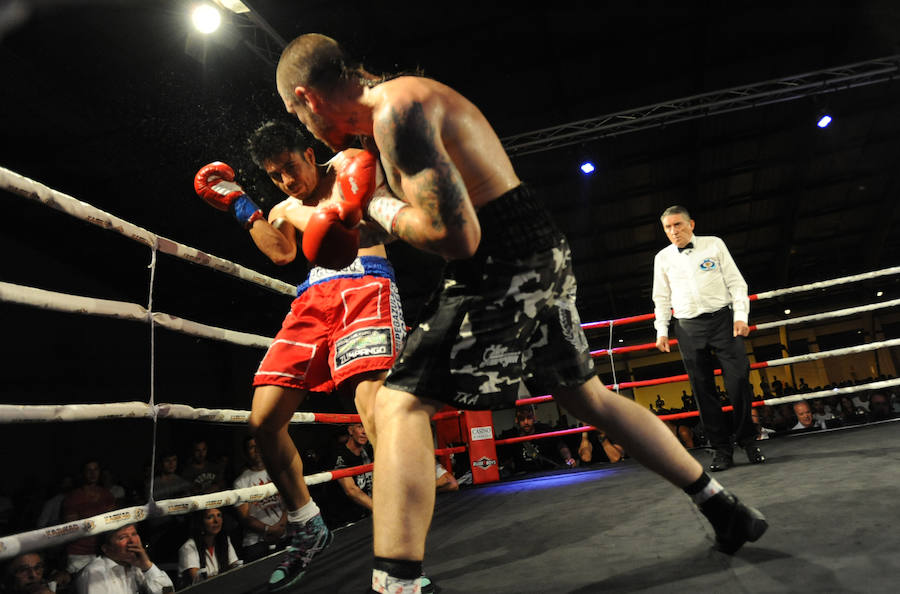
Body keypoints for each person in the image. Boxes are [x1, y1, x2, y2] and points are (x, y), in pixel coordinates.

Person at [275, 33, 768, 593]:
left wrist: (377, 202)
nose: (309, 132)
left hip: (502, 261)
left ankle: (396, 585)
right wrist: (355, 209)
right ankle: (722, 506)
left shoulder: (397, 111)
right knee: (587, 396)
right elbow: (424, 222)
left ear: (306, 99)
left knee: (399, 404)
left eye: (298, 117)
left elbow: (454, 236)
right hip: (536, 250)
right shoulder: (399, 104)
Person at [193, 120, 409, 591]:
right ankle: (307, 523)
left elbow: (390, 214)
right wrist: (240, 203)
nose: (287, 182)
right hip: (311, 298)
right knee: (264, 419)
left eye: (290, 167)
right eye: (275, 176)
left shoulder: (351, 167)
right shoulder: (285, 206)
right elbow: (280, 255)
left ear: (309, 154)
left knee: (375, 417)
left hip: (366, 284)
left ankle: (399, 564)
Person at [652, 205, 765, 471]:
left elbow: (737, 282)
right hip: (688, 327)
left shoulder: (714, 244)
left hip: (723, 321)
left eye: (677, 225)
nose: (673, 231)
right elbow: (660, 297)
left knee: (738, 381)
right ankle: (721, 449)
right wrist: (662, 330)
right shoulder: (663, 258)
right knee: (702, 390)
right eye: (668, 227)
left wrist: (741, 316)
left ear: (691, 224)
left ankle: (748, 440)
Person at [232, 436, 287, 562]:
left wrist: (281, 526)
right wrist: (269, 529)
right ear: (246, 453)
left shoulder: (277, 472)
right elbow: (245, 517)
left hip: (284, 533)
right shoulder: (240, 482)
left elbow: (289, 502)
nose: (256, 450)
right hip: (255, 541)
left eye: (258, 445)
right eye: (252, 447)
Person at [75, 524, 174, 594]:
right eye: (123, 537)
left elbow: (168, 592)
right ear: (106, 549)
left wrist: (147, 566)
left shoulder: (136, 564)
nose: (132, 541)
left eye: (134, 534)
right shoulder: (94, 572)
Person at [61, 458, 117, 573]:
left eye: (96, 469)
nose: (93, 473)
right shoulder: (73, 498)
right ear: (83, 473)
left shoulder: (107, 495)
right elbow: (72, 529)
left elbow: (113, 524)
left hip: (104, 552)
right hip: (80, 554)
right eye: (89, 470)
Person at [496, 405, 576, 474]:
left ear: (534, 418)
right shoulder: (512, 436)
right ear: (516, 420)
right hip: (523, 477)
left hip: (548, 472)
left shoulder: (544, 430)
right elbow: (505, 459)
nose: (526, 422)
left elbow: (560, 445)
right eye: (522, 418)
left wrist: (568, 458)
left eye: (529, 417)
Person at [322, 423, 374, 528]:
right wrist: (380, 510)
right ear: (350, 431)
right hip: (345, 520)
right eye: (360, 427)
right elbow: (351, 490)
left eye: (366, 427)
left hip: (365, 514)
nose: (364, 432)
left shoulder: (368, 453)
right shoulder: (339, 455)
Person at [177, 507, 241, 587]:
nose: (216, 521)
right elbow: (198, 581)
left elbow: (236, 569)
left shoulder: (225, 540)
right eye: (210, 517)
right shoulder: (188, 547)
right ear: (200, 522)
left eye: (219, 515)